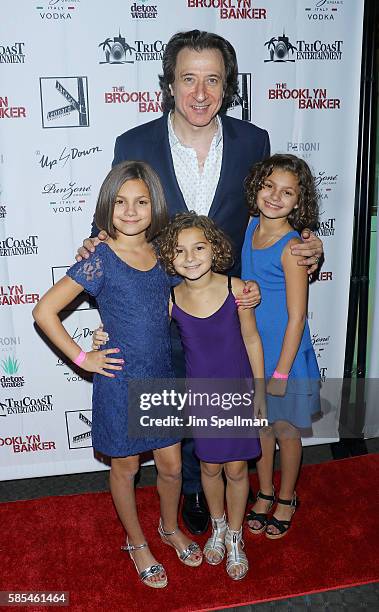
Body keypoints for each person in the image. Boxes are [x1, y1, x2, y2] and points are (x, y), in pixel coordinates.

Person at [77, 30, 324, 535]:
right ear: (169, 83)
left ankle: (225, 477)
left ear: (227, 85)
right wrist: (93, 244)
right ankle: (192, 485)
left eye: (212, 80)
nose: (200, 93)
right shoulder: (135, 143)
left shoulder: (253, 141)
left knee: (218, 399)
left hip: (224, 307)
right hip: (156, 303)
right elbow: (118, 213)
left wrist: (308, 239)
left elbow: (271, 213)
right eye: (188, 79)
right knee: (174, 404)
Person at [32, 161, 203, 589]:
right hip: (120, 380)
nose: (130, 211)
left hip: (161, 378)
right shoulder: (101, 257)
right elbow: (44, 311)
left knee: (170, 466)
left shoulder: (166, 253)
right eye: (121, 202)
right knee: (125, 467)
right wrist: (82, 357)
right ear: (108, 208)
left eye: (141, 202)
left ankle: (168, 527)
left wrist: (245, 289)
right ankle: (137, 541)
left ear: (154, 206)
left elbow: (194, 285)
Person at [157, 212, 266, 580]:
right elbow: (141, 327)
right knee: (208, 467)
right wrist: (101, 335)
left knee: (237, 469)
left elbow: (251, 339)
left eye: (198, 247)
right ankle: (218, 527)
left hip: (237, 393)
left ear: (215, 248)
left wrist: (261, 388)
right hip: (201, 399)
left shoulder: (237, 289)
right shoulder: (170, 299)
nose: (190, 257)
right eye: (179, 250)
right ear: (169, 258)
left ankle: (236, 535)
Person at [242, 154, 321, 539]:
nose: (275, 196)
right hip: (254, 351)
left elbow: (296, 317)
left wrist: (281, 373)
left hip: (284, 358)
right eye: (269, 186)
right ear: (257, 186)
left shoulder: (293, 248)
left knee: (286, 430)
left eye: (287, 192)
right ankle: (266, 491)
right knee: (261, 428)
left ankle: (287, 497)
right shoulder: (250, 226)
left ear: (298, 201)